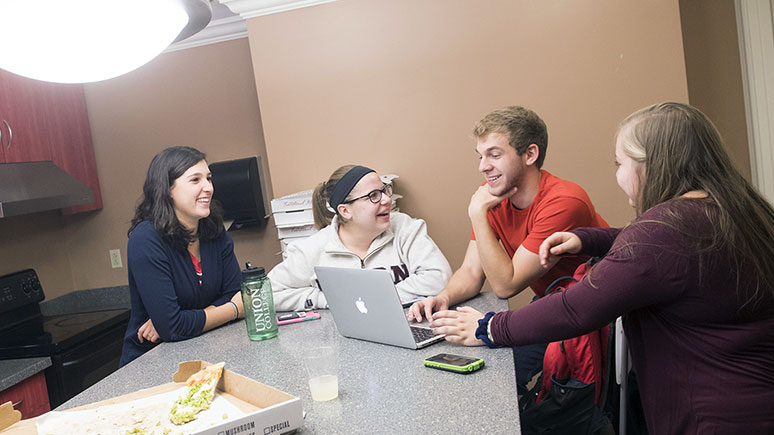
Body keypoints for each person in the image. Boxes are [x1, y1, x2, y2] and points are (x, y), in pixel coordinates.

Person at [433, 102, 774, 433]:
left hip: (709, 415)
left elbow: (576, 309)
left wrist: (489, 328)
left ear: (655, 164)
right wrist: (587, 240)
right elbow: (668, 249)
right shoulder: (737, 210)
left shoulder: (661, 232)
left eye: (619, 163)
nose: (618, 174)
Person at [407, 106, 607, 390]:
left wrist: (477, 214)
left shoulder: (564, 200)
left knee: (504, 371)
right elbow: (472, 271)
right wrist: (444, 297)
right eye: (480, 156)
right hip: (553, 304)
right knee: (489, 372)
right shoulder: (493, 196)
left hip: (590, 313)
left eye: (494, 155)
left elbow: (506, 285)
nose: (483, 166)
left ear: (530, 155)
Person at [120, 146, 243, 366]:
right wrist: (234, 310)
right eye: (195, 180)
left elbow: (234, 292)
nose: (208, 187)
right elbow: (174, 327)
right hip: (151, 364)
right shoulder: (146, 239)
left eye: (208, 178)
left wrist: (178, 321)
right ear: (167, 189)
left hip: (203, 352)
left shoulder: (214, 230)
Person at [270, 165, 452, 311]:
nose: (387, 200)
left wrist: (369, 299)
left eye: (384, 190)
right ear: (345, 211)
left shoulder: (405, 228)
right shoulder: (312, 250)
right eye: (373, 196)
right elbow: (268, 294)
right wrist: (325, 299)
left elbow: (439, 278)